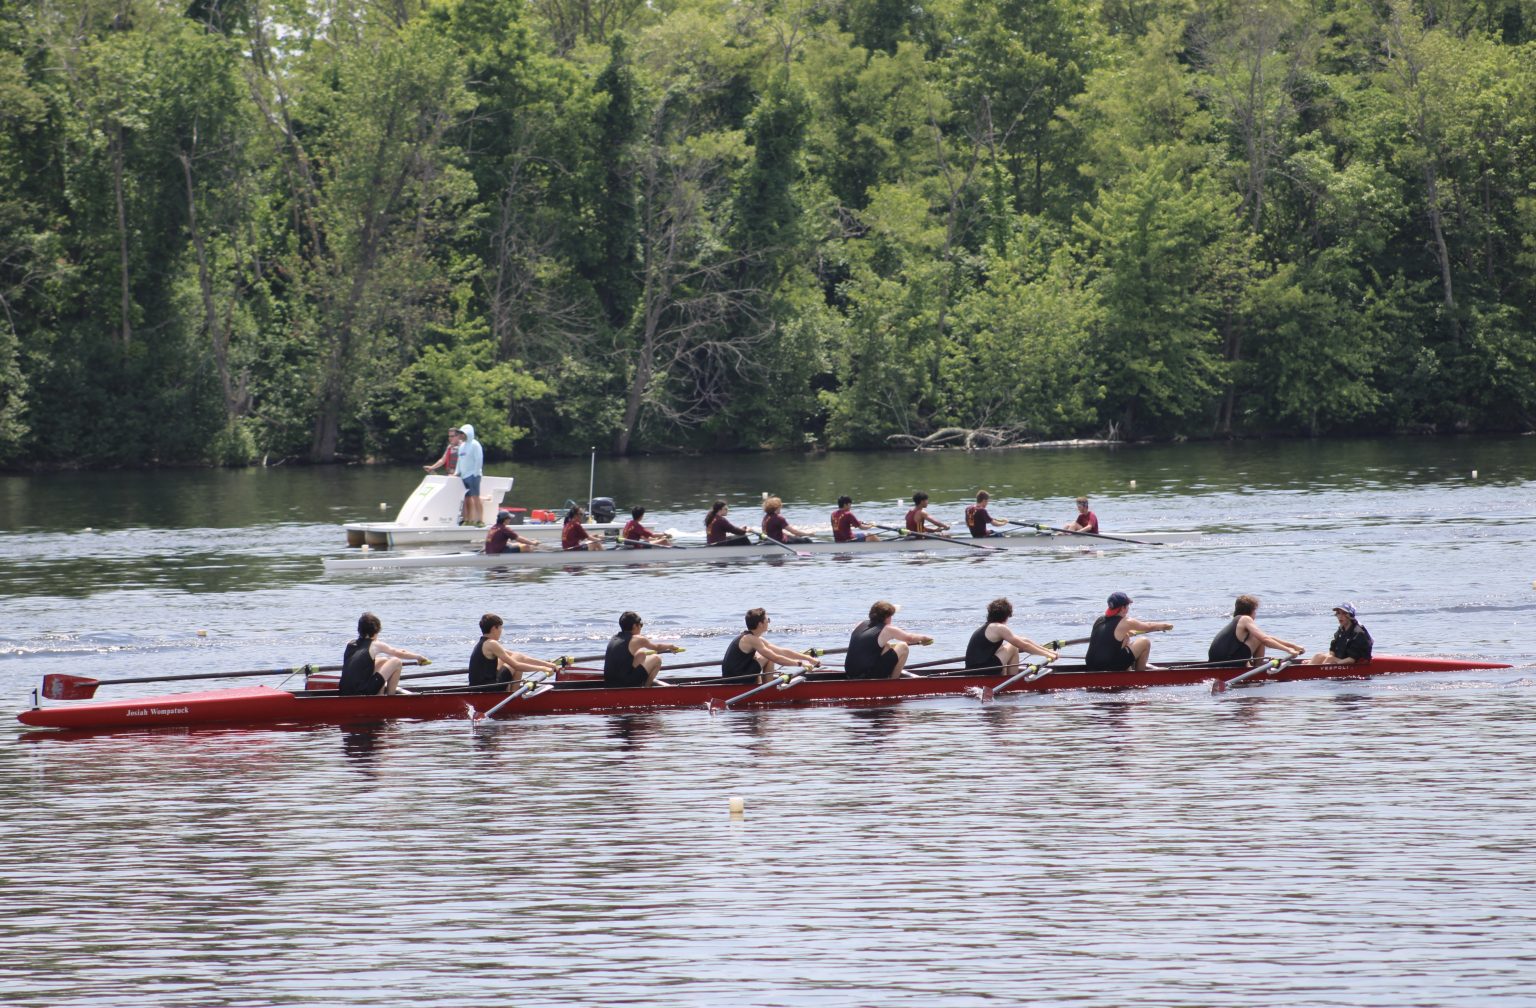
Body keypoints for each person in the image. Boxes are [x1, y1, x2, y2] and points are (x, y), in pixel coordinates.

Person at [963, 598, 1060, 675]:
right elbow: (1024, 646)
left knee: (1008, 646)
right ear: (1007, 615)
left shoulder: (989, 627)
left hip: (974, 669)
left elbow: (1024, 640)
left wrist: (1049, 652)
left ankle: (1004, 676)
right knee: (1013, 647)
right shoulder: (999, 628)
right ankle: (1012, 680)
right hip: (980, 671)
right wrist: (1048, 655)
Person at [721, 608, 821, 682]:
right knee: (768, 657)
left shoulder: (753, 638)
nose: (769, 622)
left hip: (735, 675)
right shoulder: (751, 639)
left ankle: (760, 685)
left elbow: (781, 651)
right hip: (735, 679)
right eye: (767, 620)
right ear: (760, 624)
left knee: (762, 656)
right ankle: (768, 689)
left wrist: (808, 658)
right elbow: (776, 658)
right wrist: (800, 664)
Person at [339, 612, 428, 696]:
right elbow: (398, 653)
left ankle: (379, 695)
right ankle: (390, 698)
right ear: (376, 629)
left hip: (344, 690)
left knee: (383, 660)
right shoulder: (375, 644)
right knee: (396, 662)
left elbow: (398, 651)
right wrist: (418, 657)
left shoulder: (350, 643)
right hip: (362, 691)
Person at [1084, 592, 1173, 671]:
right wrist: (1165, 626)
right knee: (1144, 641)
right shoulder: (1127, 622)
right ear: (1123, 608)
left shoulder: (1099, 620)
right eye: (1128, 605)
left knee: (1125, 638)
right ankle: (1140, 676)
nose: (1128, 608)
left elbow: (1110, 637)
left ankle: (1128, 670)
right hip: (1107, 666)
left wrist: (1127, 634)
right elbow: (1148, 626)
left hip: (1091, 664)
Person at [468, 613, 561, 688]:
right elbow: (516, 665)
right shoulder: (492, 643)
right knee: (517, 664)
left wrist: (548, 664)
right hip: (487, 688)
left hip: (480, 686)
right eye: (500, 627)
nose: (501, 631)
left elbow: (521, 657)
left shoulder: (485, 642)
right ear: (494, 628)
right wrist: (542, 669)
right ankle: (512, 695)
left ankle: (511, 692)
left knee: (515, 658)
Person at [846, 601, 933, 679]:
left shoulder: (860, 624)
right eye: (891, 616)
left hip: (850, 673)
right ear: (887, 617)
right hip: (867, 675)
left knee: (886, 646)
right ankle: (893, 681)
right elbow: (909, 638)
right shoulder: (887, 629)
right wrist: (925, 638)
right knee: (903, 647)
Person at [1208, 594, 1304, 663]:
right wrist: (1289, 650)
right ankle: (1258, 668)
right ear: (1252, 610)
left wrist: (1294, 646)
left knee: (1258, 637)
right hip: (1226, 662)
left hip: (1216, 660)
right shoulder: (1246, 619)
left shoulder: (1236, 621)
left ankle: (1251, 665)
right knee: (1259, 638)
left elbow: (1268, 637)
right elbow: (1265, 639)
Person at [604, 611, 684, 687]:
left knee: (641, 654)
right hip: (624, 683)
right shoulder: (638, 639)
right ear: (635, 626)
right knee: (657, 658)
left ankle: (640, 684)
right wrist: (671, 646)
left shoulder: (614, 638)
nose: (641, 627)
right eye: (640, 624)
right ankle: (647, 688)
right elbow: (657, 647)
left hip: (609, 682)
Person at [1308, 603, 1374, 665]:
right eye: (1338, 613)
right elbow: (1333, 649)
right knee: (1318, 656)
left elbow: (1352, 659)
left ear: (1350, 616)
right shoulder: (1341, 629)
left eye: (1344, 613)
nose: (1340, 616)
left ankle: (1314, 673)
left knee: (1330, 659)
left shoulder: (1358, 633)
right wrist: (1320, 660)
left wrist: (1335, 662)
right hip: (1342, 658)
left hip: (1354, 662)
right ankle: (1307, 669)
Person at [454, 423, 485, 526]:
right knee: (467, 498)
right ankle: (468, 519)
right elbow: (460, 460)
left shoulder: (475, 444)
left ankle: (480, 520)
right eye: (460, 433)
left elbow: (479, 459)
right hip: (464, 476)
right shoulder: (462, 446)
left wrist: (476, 472)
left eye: (462, 433)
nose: (460, 435)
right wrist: (456, 472)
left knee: (476, 497)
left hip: (473, 475)